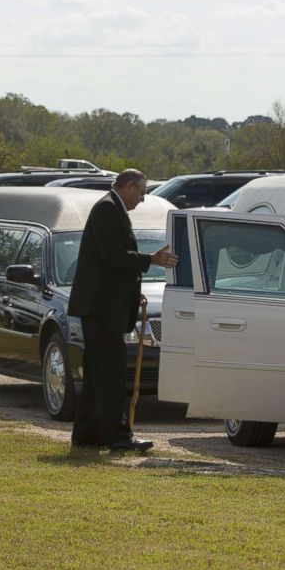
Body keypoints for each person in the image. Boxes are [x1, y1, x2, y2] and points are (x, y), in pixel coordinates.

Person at [68, 168, 178, 452]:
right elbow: (113, 255)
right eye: (140, 192)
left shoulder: (112, 208)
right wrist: (150, 260)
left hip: (102, 306)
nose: (142, 199)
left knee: (96, 374)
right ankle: (117, 436)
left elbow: (112, 262)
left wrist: (132, 289)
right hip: (100, 308)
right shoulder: (107, 209)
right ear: (127, 186)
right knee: (111, 373)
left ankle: (86, 434)